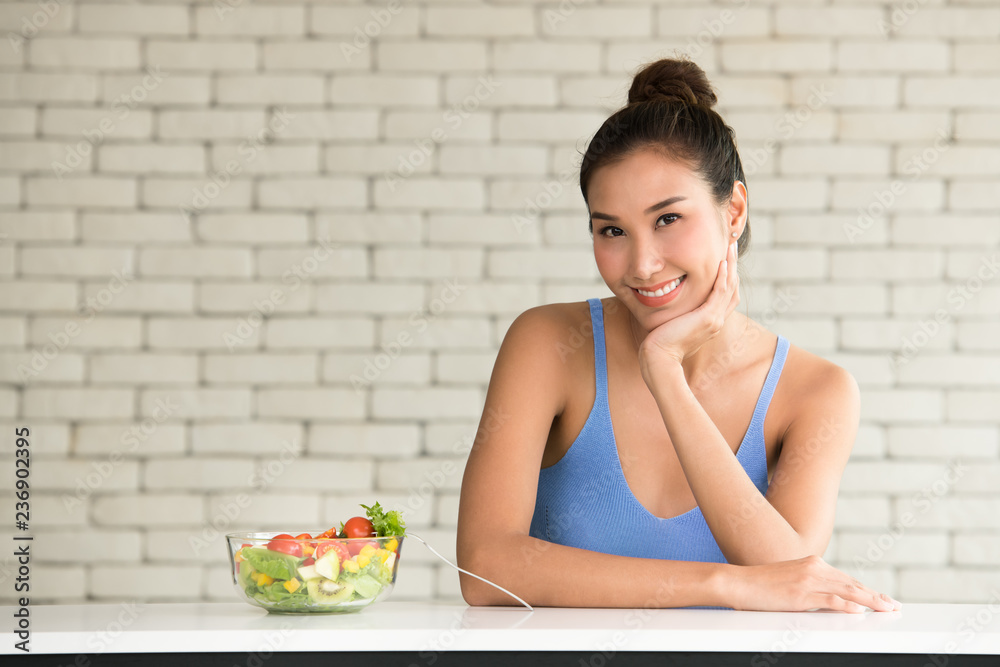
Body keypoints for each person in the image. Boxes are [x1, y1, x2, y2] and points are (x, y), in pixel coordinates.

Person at [456, 56, 902, 613]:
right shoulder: (546, 343)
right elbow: (485, 567)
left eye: (668, 219)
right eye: (612, 230)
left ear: (733, 211)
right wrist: (719, 585)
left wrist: (665, 375)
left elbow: (788, 576)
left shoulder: (816, 392)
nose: (641, 265)